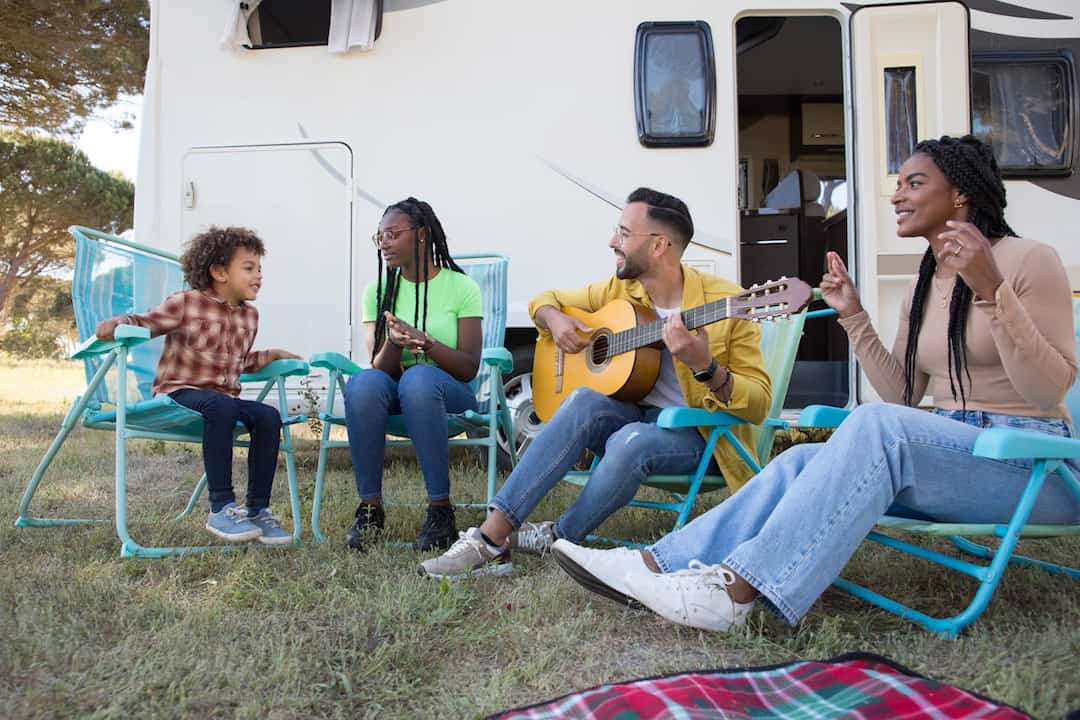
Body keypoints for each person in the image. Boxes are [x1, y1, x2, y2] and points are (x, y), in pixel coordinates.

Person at [550, 135, 1080, 632]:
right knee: (799, 461)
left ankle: (733, 595)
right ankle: (651, 564)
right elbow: (901, 397)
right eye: (899, 183)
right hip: (952, 455)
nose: (896, 195)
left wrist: (991, 289)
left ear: (961, 192)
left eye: (914, 183)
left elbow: (1047, 391)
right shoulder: (928, 280)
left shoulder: (1028, 260)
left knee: (876, 426)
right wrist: (854, 317)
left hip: (1036, 466)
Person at [420, 187, 772, 578]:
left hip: (702, 437)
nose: (612, 241)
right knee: (584, 400)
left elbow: (758, 405)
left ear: (659, 246)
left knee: (629, 439)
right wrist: (555, 319)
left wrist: (706, 367)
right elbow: (545, 299)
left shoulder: (729, 303)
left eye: (623, 233)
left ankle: (560, 536)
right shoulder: (622, 290)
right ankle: (490, 539)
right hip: (638, 416)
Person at [95, 226, 301, 544]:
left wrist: (271, 354)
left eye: (259, 269)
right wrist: (117, 325)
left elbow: (237, 361)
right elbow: (146, 323)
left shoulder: (250, 317)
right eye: (248, 268)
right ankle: (221, 508)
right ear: (219, 271)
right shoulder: (186, 304)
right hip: (178, 392)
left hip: (221, 400)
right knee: (221, 404)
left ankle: (258, 510)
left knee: (267, 416)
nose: (258, 275)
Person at [342, 198, 483, 552]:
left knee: (418, 380)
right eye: (380, 236)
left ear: (421, 235)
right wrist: (394, 342)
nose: (384, 243)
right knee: (363, 384)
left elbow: (469, 366)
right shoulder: (378, 291)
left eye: (392, 234)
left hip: (450, 390)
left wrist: (427, 344)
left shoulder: (461, 288)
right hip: (397, 386)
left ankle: (440, 511)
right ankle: (370, 509)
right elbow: (378, 367)